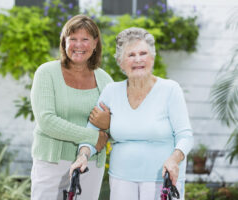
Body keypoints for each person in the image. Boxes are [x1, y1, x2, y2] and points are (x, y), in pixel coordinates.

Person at [70, 27, 194, 200]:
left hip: (162, 179)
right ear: (121, 62)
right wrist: (83, 156)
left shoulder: (170, 90)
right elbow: (91, 133)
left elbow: (185, 136)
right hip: (121, 180)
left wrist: (174, 159)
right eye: (131, 55)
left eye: (143, 53)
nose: (138, 60)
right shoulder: (111, 92)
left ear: (152, 57)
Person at [30, 15, 113, 200]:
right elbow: (46, 121)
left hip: (90, 164)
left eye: (85, 39)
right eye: (73, 39)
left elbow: (113, 124)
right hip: (51, 161)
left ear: (95, 43)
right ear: (64, 42)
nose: (78, 45)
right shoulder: (47, 73)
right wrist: (92, 136)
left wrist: (108, 124)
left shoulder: (105, 80)